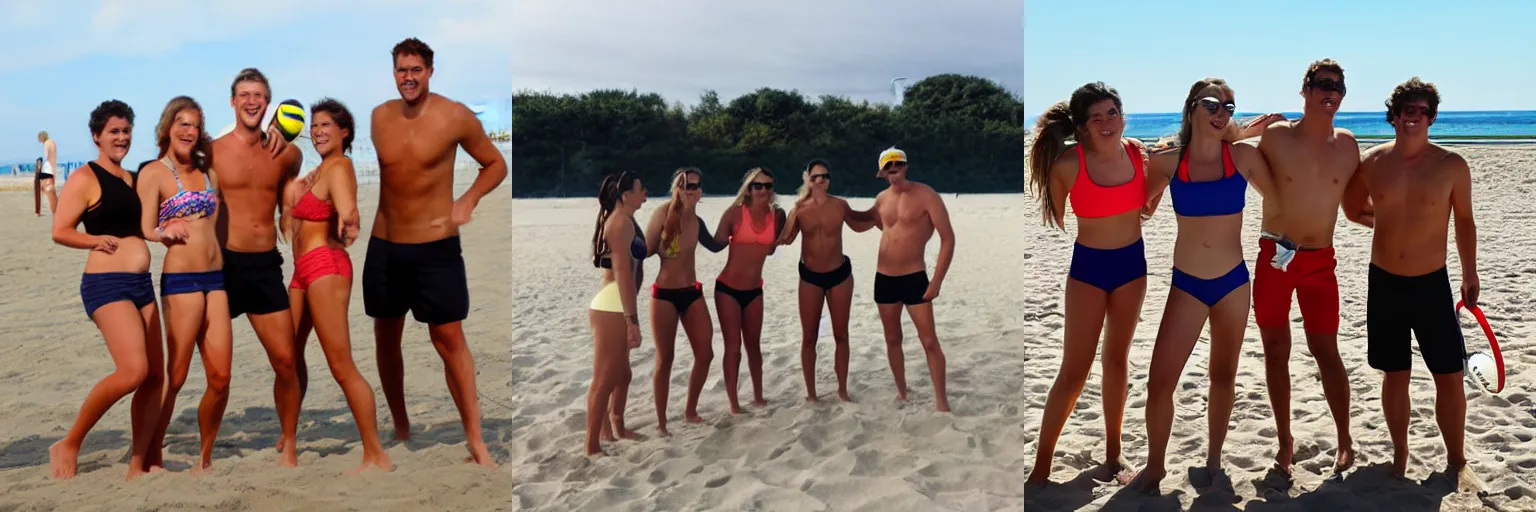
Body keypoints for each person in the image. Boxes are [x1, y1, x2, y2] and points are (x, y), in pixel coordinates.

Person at [1132, 78, 1281, 491]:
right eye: (1213, 105)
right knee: (1160, 381)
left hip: (1234, 283)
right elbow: (1140, 209)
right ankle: (1155, 466)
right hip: (1188, 286)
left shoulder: (1242, 158)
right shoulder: (1168, 163)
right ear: (1193, 108)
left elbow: (1282, 194)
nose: (1221, 113)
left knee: (1223, 376)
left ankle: (1214, 461)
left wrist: (1250, 130)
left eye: (1229, 108)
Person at [365, 38, 506, 467]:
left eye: (416, 70)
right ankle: (402, 424)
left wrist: (467, 201)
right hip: (385, 247)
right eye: (401, 70)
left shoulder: (455, 115)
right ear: (393, 73)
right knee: (386, 339)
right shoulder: (379, 117)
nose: (408, 77)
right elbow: (327, 142)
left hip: (435, 249)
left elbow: (496, 164)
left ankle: (475, 439)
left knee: (449, 340)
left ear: (430, 71)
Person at [1342, 77, 1483, 490]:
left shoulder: (1451, 165)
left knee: (1449, 375)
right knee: (1395, 373)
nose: (1413, 116)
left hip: (1432, 285)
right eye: (1407, 109)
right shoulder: (1373, 162)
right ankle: (1400, 450)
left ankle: (1456, 459)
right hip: (1384, 282)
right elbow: (1351, 207)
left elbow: (1465, 222)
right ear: (1394, 115)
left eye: (1422, 110)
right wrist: (1382, 221)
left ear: (1432, 117)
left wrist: (1470, 272)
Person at [1024, 83, 1149, 486]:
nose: (1106, 122)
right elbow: (1056, 209)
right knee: (1073, 371)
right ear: (1082, 128)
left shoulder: (1138, 153)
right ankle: (1042, 466)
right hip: (1089, 270)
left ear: (1123, 115)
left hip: (1133, 266)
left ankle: (1114, 454)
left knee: (1117, 360)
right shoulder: (1067, 165)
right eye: (1096, 117)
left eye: (1112, 112)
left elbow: (1148, 201)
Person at [47, 100, 165, 480]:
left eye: (127, 131)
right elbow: (60, 230)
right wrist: (94, 241)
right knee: (133, 371)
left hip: (142, 286)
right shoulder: (85, 178)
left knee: (155, 377)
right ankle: (69, 442)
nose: (121, 137)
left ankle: (139, 462)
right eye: (113, 131)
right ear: (96, 135)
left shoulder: (133, 177)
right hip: (106, 284)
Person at [1253, 59, 1360, 474]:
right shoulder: (1276, 136)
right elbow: (1228, 151)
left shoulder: (1348, 145)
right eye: (1322, 84)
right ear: (1306, 90)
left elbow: (1359, 204)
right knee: (1276, 351)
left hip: (1321, 263)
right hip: (1275, 258)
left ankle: (1345, 441)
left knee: (1326, 350)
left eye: (1338, 85)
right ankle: (1284, 442)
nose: (1330, 90)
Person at [281, 98, 391, 474]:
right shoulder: (316, 172)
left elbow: (348, 208)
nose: (317, 132)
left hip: (325, 268)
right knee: (288, 358)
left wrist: (351, 219)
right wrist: (289, 197)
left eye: (326, 125)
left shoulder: (340, 167)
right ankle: (289, 441)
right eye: (314, 126)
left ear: (345, 132)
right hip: (301, 271)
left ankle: (375, 453)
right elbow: (289, 226)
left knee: (340, 364)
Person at [209, 67, 304, 467]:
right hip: (221, 267)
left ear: (269, 103)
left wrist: (286, 209)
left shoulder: (287, 153)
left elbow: (292, 177)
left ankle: (290, 440)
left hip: (265, 266)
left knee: (285, 361)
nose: (252, 101)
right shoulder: (211, 150)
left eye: (259, 95)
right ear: (232, 102)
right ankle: (201, 452)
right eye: (244, 95)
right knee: (214, 376)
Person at [136, 97, 234, 474]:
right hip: (181, 281)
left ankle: (205, 458)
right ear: (167, 127)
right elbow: (146, 228)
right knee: (175, 376)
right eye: (181, 122)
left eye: (193, 124)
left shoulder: (208, 172)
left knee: (221, 377)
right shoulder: (154, 173)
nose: (187, 130)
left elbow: (219, 223)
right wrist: (164, 230)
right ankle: (151, 452)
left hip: (216, 280)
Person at [844, 147, 955, 413]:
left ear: (906, 166)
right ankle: (902, 393)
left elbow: (948, 238)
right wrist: (841, 209)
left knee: (928, 340)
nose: (893, 172)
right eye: (888, 169)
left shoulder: (926, 195)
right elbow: (862, 223)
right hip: (884, 278)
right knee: (892, 338)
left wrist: (937, 281)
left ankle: (941, 402)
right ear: (881, 173)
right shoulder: (881, 199)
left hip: (915, 278)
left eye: (898, 167)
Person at [776, 159, 875, 402]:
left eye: (825, 176)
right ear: (807, 179)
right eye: (816, 176)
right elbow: (785, 239)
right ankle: (811, 393)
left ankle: (842, 389)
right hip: (810, 276)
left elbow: (860, 224)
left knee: (841, 334)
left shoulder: (840, 205)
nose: (821, 180)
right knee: (809, 336)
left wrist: (883, 215)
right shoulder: (799, 208)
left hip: (839, 274)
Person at [643, 167, 727, 435]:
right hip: (664, 295)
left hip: (692, 293)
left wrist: (739, 225)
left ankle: (690, 410)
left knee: (705, 353)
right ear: (677, 188)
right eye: (688, 185)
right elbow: (644, 250)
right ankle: (661, 421)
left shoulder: (697, 222)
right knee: (665, 358)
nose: (694, 190)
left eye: (697, 185)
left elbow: (715, 245)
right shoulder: (662, 214)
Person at [709, 168, 787, 414]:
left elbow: (777, 246)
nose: (763, 190)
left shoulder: (778, 216)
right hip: (727, 290)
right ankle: (733, 403)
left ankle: (759, 396)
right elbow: (714, 244)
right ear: (749, 189)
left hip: (755, 290)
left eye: (768, 186)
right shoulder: (734, 213)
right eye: (758, 185)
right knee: (733, 347)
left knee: (753, 346)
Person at [587, 171, 646, 455]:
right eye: (640, 188)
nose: (645, 192)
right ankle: (591, 445)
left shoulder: (627, 220)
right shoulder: (620, 223)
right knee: (604, 379)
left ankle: (616, 428)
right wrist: (631, 319)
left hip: (619, 302)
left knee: (623, 374)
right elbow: (623, 272)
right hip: (613, 305)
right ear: (626, 195)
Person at [37, 132, 59, 215]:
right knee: (51, 186)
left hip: (48, 166)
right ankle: (55, 207)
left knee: (45, 187)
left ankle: (51, 207)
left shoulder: (46, 143)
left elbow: (46, 155)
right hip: (53, 166)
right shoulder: (52, 142)